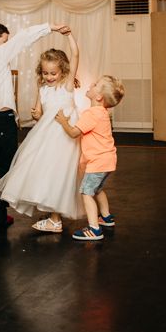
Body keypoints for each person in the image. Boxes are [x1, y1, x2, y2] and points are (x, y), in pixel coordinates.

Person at [0, 19, 69, 231]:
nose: (8, 44)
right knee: (7, 168)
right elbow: (23, 38)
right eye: (5, 41)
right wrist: (50, 27)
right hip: (2, 120)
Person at [0, 33, 82, 233]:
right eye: (45, 73)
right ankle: (53, 216)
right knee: (45, 172)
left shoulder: (66, 87)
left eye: (53, 73)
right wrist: (36, 114)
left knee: (58, 174)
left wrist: (69, 37)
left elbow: (75, 56)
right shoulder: (42, 88)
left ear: (63, 72)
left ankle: (55, 218)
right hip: (45, 136)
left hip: (64, 138)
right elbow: (39, 113)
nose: (48, 77)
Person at [56, 75, 125, 241]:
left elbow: (74, 133)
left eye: (95, 84)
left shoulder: (92, 114)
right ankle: (106, 217)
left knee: (87, 192)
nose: (91, 84)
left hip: (98, 162)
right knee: (97, 189)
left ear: (98, 96)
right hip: (107, 160)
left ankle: (94, 228)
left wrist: (63, 121)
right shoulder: (102, 113)